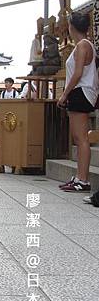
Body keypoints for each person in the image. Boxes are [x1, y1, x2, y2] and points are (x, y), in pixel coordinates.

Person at [57, 11, 98, 192]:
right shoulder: (87, 45)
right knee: (79, 137)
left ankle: (83, 179)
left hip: (81, 91)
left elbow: (78, 73)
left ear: (71, 28)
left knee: (81, 139)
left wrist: (64, 94)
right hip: (82, 91)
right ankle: (80, 177)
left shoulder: (82, 45)